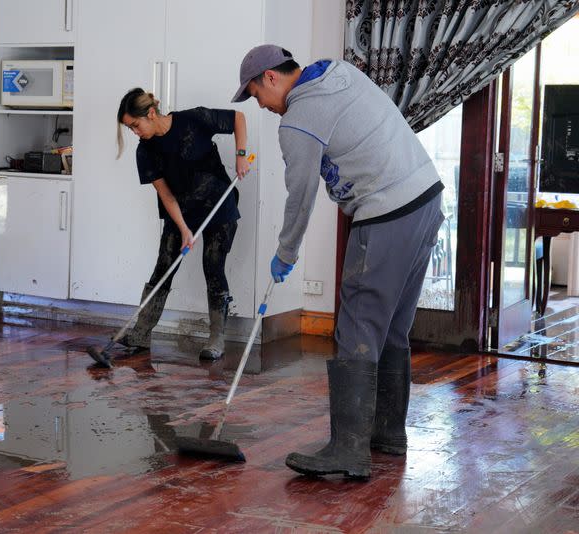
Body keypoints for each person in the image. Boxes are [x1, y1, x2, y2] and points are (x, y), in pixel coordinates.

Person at [232, 45, 444, 479]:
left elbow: (301, 197)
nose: (262, 106)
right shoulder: (339, 72)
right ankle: (387, 434)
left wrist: (285, 253)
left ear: (271, 78)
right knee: (391, 327)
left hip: (387, 211)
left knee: (357, 326)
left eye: (256, 95)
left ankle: (348, 450)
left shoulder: (297, 120)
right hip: (425, 198)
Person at [116, 88, 250, 360]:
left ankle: (216, 339)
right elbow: (165, 194)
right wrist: (184, 228)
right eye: (130, 128)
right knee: (164, 265)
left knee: (213, 267)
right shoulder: (145, 151)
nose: (135, 132)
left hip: (218, 206)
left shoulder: (194, 119)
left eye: (135, 125)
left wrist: (241, 154)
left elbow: (238, 118)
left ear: (151, 114)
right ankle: (141, 332)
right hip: (181, 211)